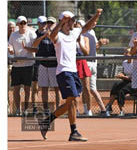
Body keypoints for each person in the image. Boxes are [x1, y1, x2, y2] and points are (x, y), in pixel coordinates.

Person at [38, 9, 103, 141]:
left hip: (73, 72)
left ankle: (47, 121)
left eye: (73, 20)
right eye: (70, 20)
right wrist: (62, 21)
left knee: (71, 102)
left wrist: (96, 16)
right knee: (73, 100)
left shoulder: (74, 33)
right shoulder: (58, 35)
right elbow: (52, 36)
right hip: (63, 71)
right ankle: (73, 132)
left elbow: (86, 27)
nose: (73, 22)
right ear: (64, 22)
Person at [8, 16, 37, 116]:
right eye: (21, 23)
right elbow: (10, 45)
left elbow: (36, 49)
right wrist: (11, 49)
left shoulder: (31, 33)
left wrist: (26, 48)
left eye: (24, 23)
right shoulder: (13, 35)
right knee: (16, 89)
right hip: (16, 65)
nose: (23, 25)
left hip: (28, 65)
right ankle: (18, 110)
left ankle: (25, 110)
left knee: (27, 89)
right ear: (17, 24)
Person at [33, 16, 61, 113]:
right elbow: (34, 45)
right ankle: (46, 109)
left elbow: (58, 46)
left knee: (57, 89)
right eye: (47, 23)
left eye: (51, 23)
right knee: (44, 88)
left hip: (54, 65)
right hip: (43, 64)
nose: (48, 25)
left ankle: (58, 109)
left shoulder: (58, 34)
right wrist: (43, 36)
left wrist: (50, 36)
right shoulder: (38, 34)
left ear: (55, 25)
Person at [82, 15, 109, 116]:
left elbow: (94, 47)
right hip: (87, 62)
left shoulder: (92, 32)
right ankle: (90, 109)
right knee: (87, 88)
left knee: (90, 88)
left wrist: (102, 43)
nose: (95, 23)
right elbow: (89, 48)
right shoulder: (83, 32)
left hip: (93, 62)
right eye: (93, 21)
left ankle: (102, 110)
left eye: (96, 21)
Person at [105, 48, 137, 117]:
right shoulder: (124, 62)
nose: (125, 54)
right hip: (126, 81)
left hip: (134, 83)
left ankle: (121, 111)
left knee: (121, 90)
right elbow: (124, 72)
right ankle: (109, 106)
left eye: (127, 52)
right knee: (115, 85)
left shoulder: (135, 63)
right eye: (124, 52)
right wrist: (121, 75)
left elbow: (135, 77)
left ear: (131, 54)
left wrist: (124, 77)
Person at [74, 20, 92, 116]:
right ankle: (75, 110)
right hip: (73, 63)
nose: (77, 29)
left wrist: (79, 43)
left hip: (82, 62)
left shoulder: (85, 39)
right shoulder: (70, 38)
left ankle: (88, 110)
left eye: (78, 27)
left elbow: (87, 52)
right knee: (75, 90)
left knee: (87, 88)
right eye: (75, 27)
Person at [7, 21, 16, 115]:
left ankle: (15, 110)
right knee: (5, 89)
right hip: (6, 65)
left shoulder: (16, 36)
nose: (11, 29)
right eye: (9, 27)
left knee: (15, 89)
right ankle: (7, 110)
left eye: (13, 27)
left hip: (15, 65)